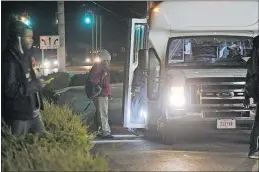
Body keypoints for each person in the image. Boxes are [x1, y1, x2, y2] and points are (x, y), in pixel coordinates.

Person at [2, 20, 45, 137]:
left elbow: (30, 79)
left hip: (34, 113)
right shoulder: (8, 59)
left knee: (43, 144)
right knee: (16, 149)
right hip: (19, 117)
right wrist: (35, 86)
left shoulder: (27, 55)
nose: (31, 40)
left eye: (32, 37)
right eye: (28, 37)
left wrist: (38, 73)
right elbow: (10, 89)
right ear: (18, 38)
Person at [88, 49, 113, 138]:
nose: (109, 62)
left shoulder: (102, 68)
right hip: (101, 94)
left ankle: (99, 129)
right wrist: (103, 74)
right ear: (104, 60)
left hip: (103, 93)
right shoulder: (98, 68)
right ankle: (105, 131)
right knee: (103, 113)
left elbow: (106, 83)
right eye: (108, 60)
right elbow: (93, 80)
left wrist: (109, 93)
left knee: (100, 113)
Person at [244, 35, 259, 159]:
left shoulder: (253, 60)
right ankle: (253, 150)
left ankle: (253, 150)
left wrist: (247, 96)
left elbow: (249, 77)